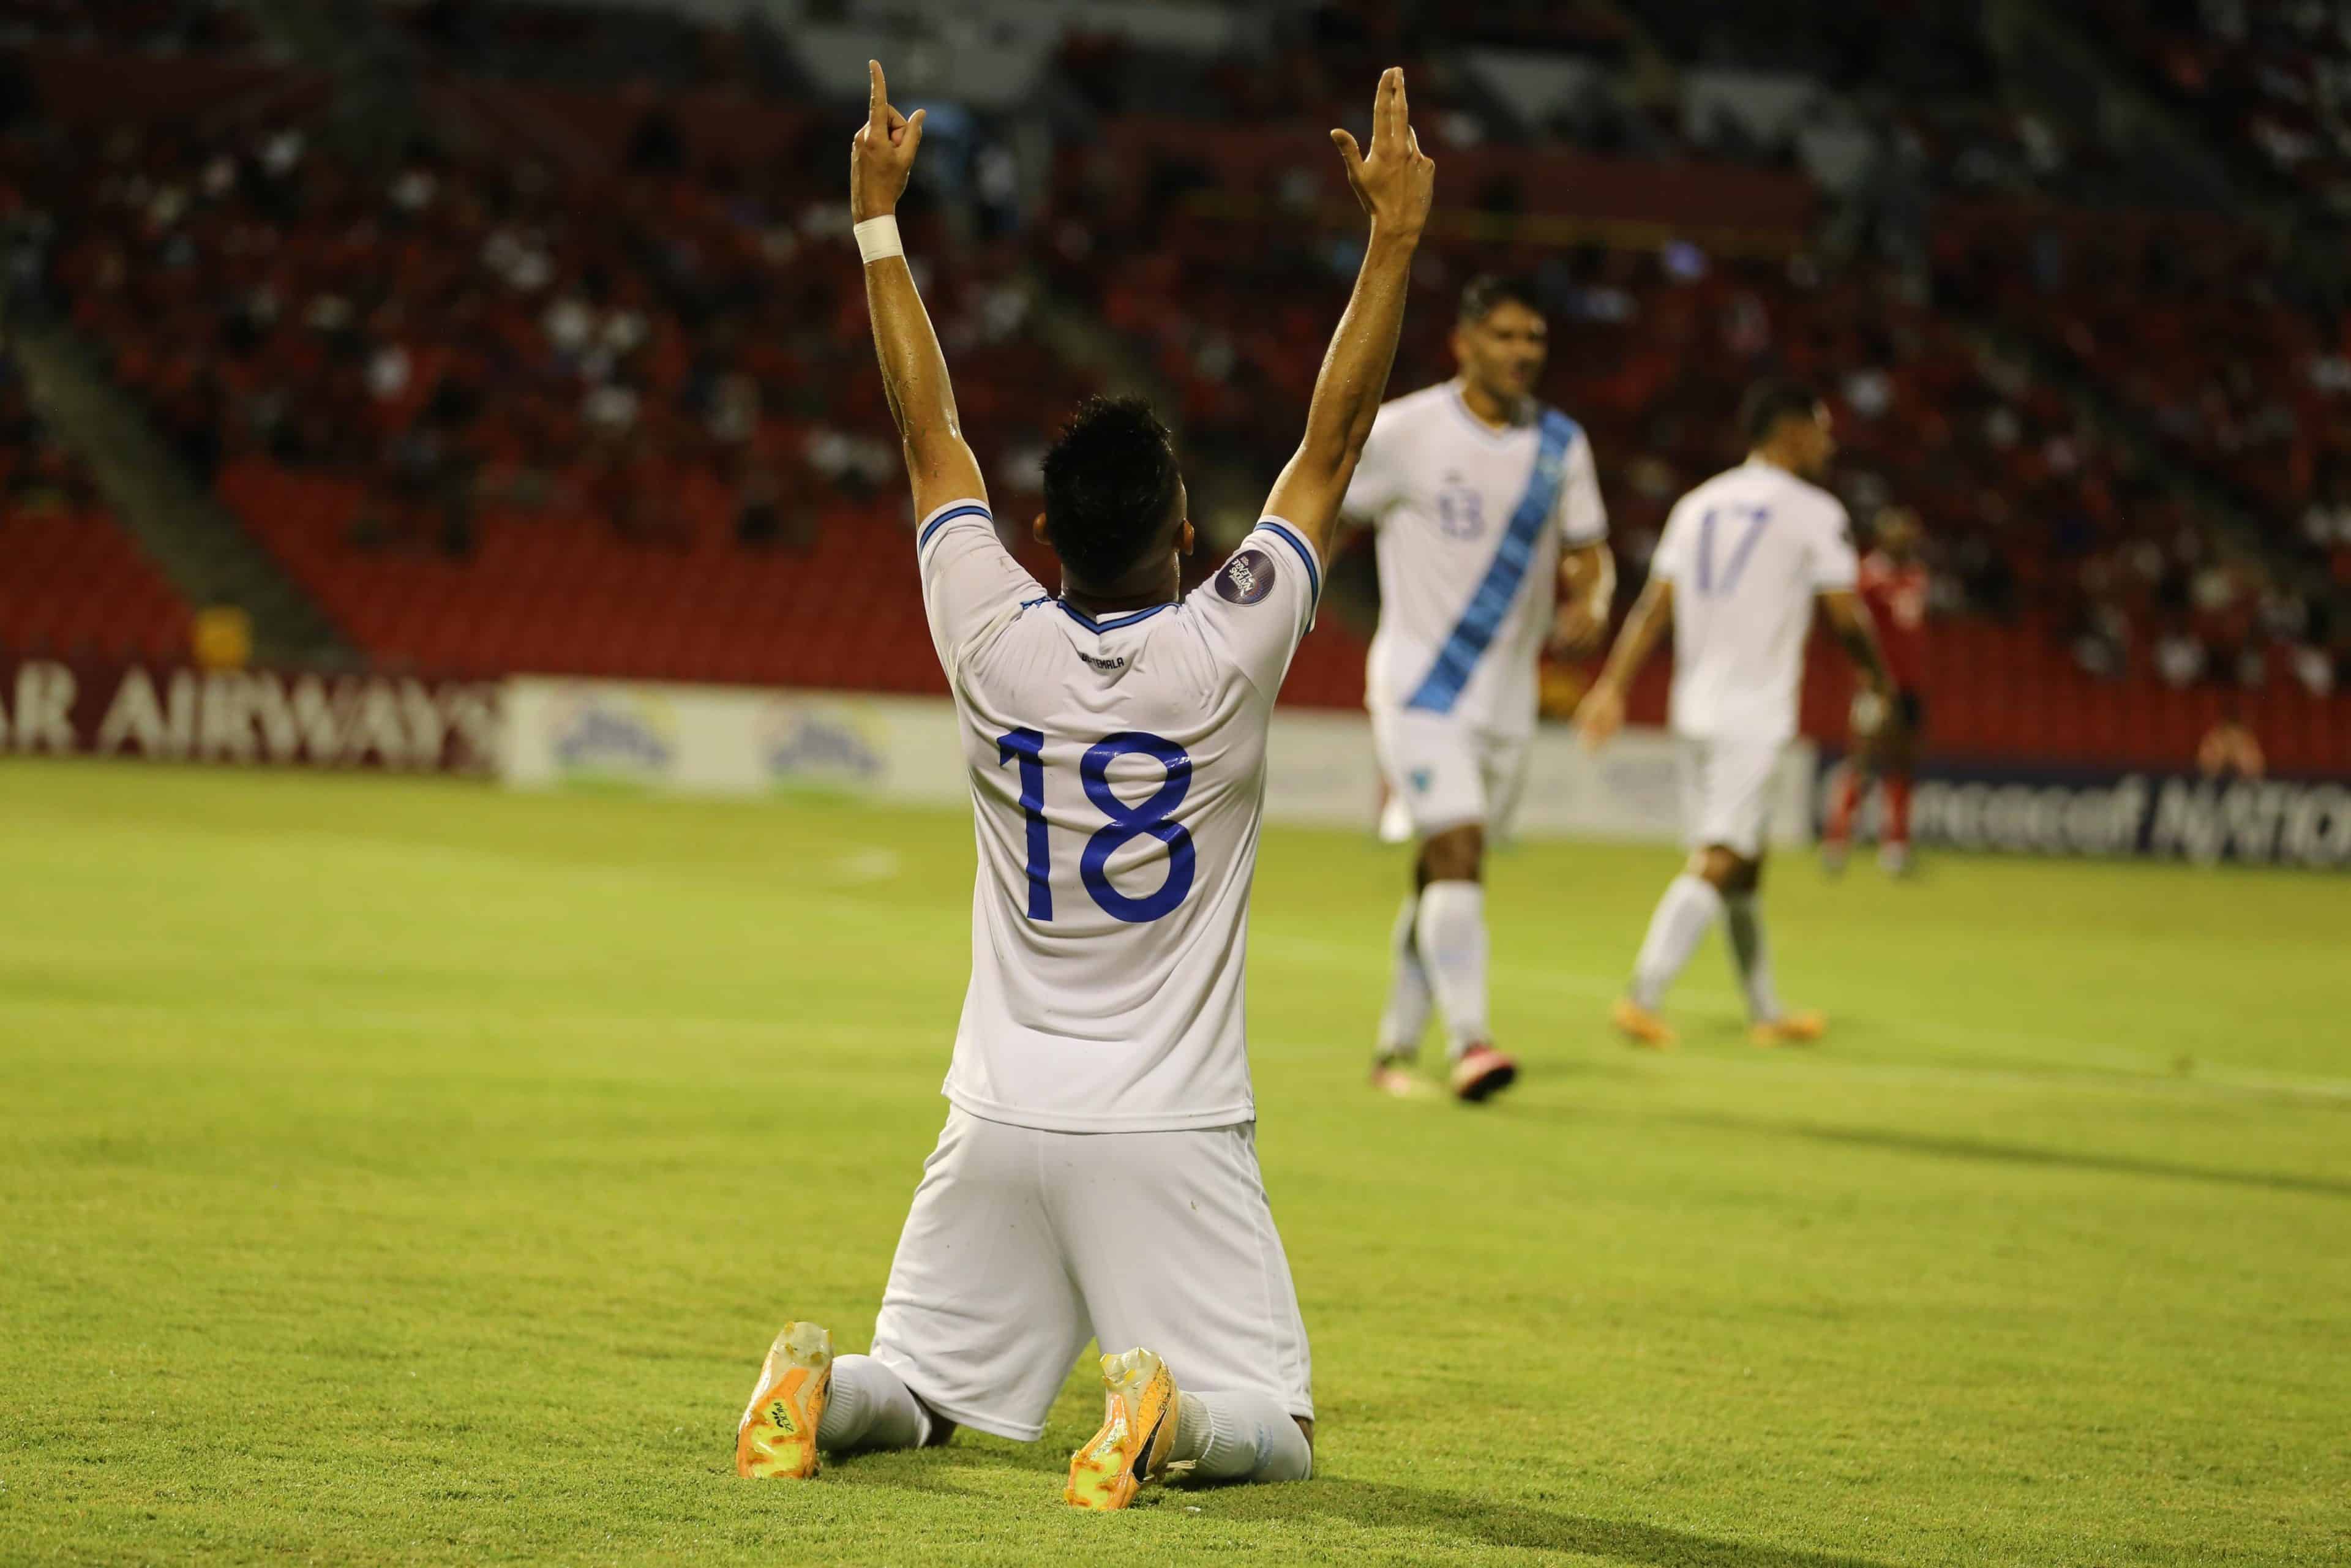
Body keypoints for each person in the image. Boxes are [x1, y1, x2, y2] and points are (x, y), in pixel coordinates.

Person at [733, 62, 1434, 1509]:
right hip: (1164, 1121)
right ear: (1186, 527)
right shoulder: (1224, 647)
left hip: (994, 1109)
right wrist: (1391, 242)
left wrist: (877, 226)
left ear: (1040, 526)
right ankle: (1163, 1424)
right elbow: (1332, 445)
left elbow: (925, 430)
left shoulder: (987, 628)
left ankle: (814, 1387)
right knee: (1280, 1424)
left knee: (918, 1386)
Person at [1343, 274, 1614, 1103]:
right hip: (1420, 687)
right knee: (1458, 849)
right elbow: (1323, 512)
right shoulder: (1405, 432)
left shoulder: (1561, 445)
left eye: (1533, 339)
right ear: (1463, 343)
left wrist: (1592, 599)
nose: (1522, 353)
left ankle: (1394, 1047)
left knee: (1445, 869)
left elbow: (1590, 549)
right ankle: (1474, 1043)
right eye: (1504, 336)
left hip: (1506, 701)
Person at [1574, 381, 1892, 1049]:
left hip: (1694, 705)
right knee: (1722, 855)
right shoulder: (1813, 510)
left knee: (1744, 862)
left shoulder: (1699, 504)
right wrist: (1876, 676)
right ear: (1791, 430)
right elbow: (1844, 611)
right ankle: (1643, 993)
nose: (1829, 444)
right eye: (1823, 429)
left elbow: (1654, 606)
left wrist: (1613, 684)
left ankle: (1765, 1010)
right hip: (1753, 710)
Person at [1822, 505, 1930, 875]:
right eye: (1900, 534)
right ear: (1886, 538)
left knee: (1903, 763)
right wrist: (1868, 676)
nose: (1907, 540)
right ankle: (1837, 842)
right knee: (1863, 760)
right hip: (1878, 684)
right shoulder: (1868, 577)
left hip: (1911, 685)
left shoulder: (1916, 575)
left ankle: (1896, 847)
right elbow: (1853, 629)